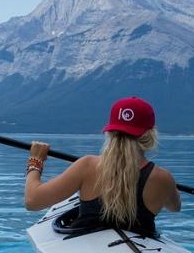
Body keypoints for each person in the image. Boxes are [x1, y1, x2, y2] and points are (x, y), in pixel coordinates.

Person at [23, 96, 180, 236]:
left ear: (110, 132)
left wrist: (35, 162)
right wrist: (169, 187)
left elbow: (32, 201)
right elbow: (175, 207)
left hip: (85, 249)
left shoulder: (88, 165)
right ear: (150, 135)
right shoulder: (163, 178)